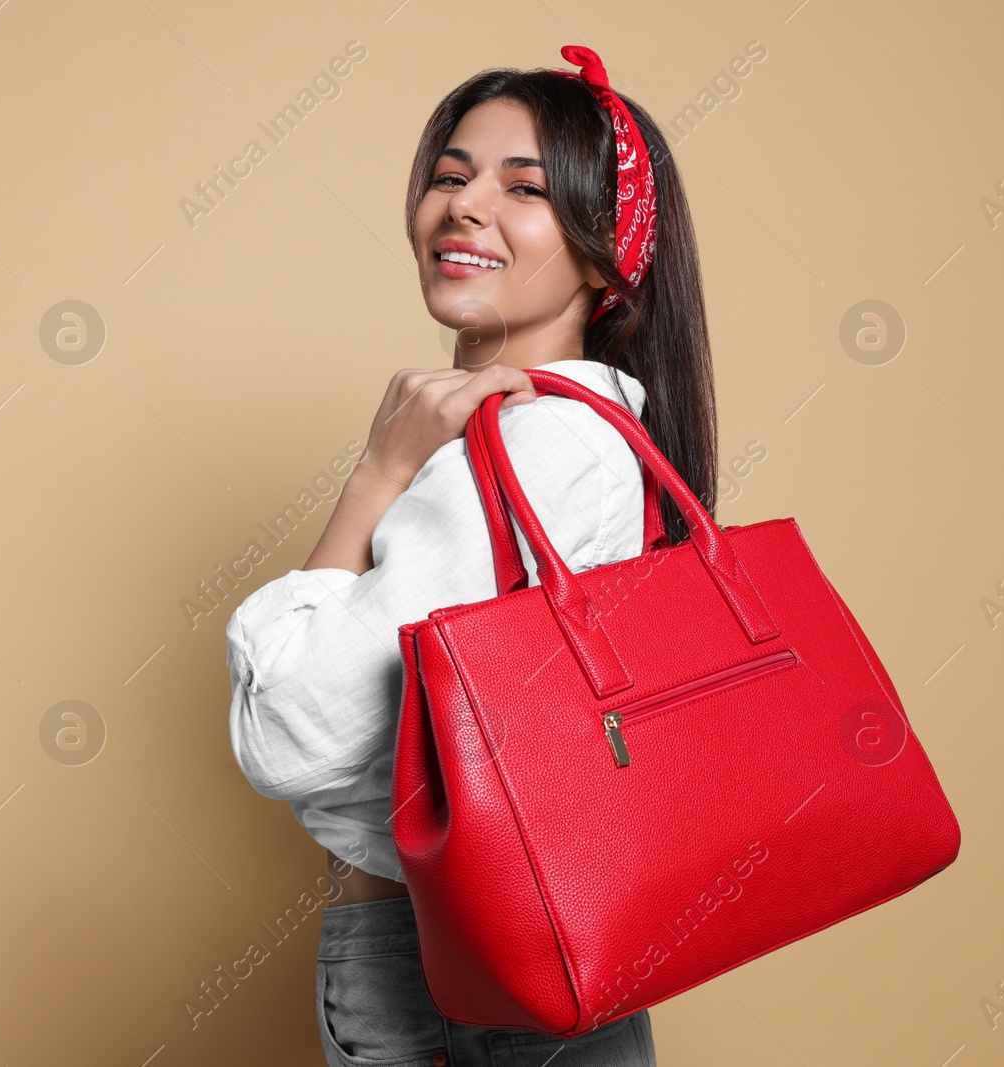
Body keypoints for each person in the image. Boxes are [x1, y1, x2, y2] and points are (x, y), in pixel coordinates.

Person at [226, 45, 716, 1066]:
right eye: (449, 176)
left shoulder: (534, 445)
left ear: (604, 251)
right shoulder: (586, 434)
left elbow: (289, 735)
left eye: (523, 188)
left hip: (451, 980)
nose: (465, 206)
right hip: (512, 963)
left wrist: (375, 473)